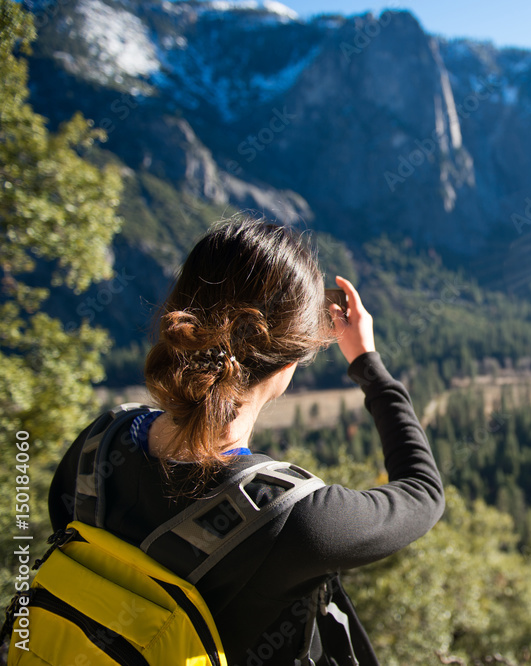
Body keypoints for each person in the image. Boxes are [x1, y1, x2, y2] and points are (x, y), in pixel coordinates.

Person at [46, 216, 446, 665]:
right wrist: (370, 367)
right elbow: (423, 494)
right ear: (291, 359)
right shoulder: (292, 520)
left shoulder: (95, 448)